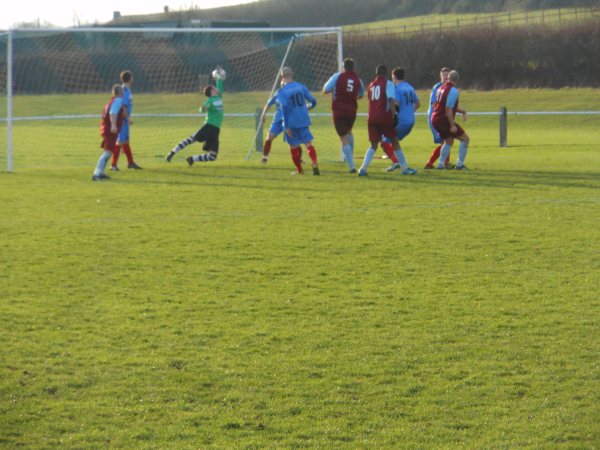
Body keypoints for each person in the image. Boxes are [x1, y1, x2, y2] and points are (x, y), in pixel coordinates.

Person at [357, 64, 417, 176]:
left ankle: (362, 169)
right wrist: (394, 114)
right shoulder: (388, 83)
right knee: (394, 141)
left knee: (373, 145)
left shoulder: (370, 85)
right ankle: (405, 169)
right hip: (384, 117)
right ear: (385, 74)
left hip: (371, 118)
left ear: (376, 74)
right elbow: (390, 98)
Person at [165, 66, 225, 166]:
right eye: (214, 88)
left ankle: (192, 159)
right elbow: (202, 109)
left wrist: (218, 73)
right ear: (211, 92)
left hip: (216, 130)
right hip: (208, 126)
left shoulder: (218, 96)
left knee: (213, 156)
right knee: (191, 140)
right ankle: (172, 152)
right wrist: (204, 108)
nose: (216, 88)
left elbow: (219, 81)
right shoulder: (209, 101)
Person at [322, 57, 365, 173]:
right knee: (349, 132)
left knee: (343, 137)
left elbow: (325, 90)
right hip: (352, 111)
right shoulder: (357, 79)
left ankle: (351, 166)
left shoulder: (337, 76)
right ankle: (349, 157)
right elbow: (361, 94)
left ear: (343, 67)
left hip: (339, 110)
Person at [276, 66, 320, 175]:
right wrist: (308, 107)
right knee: (308, 144)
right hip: (303, 119)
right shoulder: (301, 86)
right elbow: (313, 101)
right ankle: (314, 162)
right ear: (292, 74)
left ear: (282, 77)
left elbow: (285, 108)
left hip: (291, 122)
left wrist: (286, 126)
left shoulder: (282, 91)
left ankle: (300, 170)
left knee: (293, 147)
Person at [381, 67, 421, 172]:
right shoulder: (410, 88)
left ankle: (397, 162)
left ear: (394, 76)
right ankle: (399, 164)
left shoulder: (397, 89)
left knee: (384, 141)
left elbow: (396, 105)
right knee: (394, 142)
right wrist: (409, 112)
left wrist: (392, 116)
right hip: (410, 121)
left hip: (401, 122)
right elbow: (418, 104)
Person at [430, 70, 470, 170]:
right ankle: (459, 165)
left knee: (449, 140)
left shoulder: (440, 88)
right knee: (465, 139)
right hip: (443, 119)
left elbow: (442, 105)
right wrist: (452, 125)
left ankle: (440, 164)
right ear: (458, 80)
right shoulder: (453, 91)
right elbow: (448, 108)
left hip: (434, 118)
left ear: (448, 78)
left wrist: (461, 111)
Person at [92, 84, 126, 181]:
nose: (123, 92)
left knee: (109, 152)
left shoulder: (111, 101)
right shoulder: (118, 101)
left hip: (106, 128)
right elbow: (112, 113)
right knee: (107, 152)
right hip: (110, 129)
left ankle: (100, 172)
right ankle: (97, 173)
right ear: (119, 92)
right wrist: (114, 125)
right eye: (122, 90)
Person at [111, 70, 142, 171]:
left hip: (125, 120)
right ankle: (113, 165)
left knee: (125, 141)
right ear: (130, 78)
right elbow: (122, 106)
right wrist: (127, 118)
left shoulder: (127, 89)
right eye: (132, 77)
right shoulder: (123, 90)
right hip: (123, 120)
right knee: (120, 142)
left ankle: (131, 163)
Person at [259, 84, 285, 164]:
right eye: (283, 83)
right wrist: (263, 114)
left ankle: (299, 159)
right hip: (277, 121)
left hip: (288, 120)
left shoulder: (292, 94)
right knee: (269, 138)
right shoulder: (277, 94)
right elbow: (268, 104)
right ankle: (264, 158)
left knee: (293, 141)